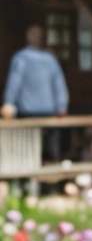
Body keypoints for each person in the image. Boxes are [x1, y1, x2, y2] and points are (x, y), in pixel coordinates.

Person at [2, 24, 69, 162]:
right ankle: (46, 180)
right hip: (41, 111)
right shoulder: (46, 59)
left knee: (28, 148)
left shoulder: (23, 58)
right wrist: (62, 106)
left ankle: (37, 179)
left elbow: (14, 83)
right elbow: (59, 84)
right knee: (46, 149)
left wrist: (8, 103)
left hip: (31, 111)